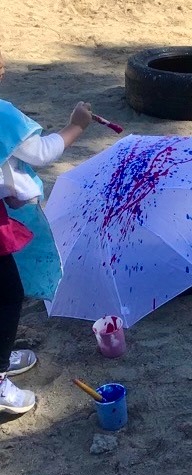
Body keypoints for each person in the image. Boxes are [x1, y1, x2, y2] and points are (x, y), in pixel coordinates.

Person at [0, 49, 92, 414]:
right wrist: (77, 126)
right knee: (7, 294)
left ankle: (3, 351)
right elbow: (40, 152)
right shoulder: (2, 114)